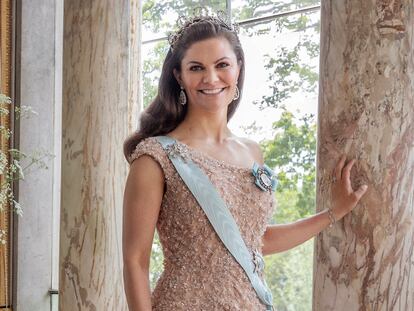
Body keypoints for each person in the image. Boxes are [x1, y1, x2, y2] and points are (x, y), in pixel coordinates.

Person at [122, 9, 368, 311]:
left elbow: (255, 241)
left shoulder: (251, 152)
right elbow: (135, 263)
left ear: (238, 67)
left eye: (222, 64)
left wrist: (333, 213)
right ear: (179, 76)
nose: (211, 78)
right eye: (196, 67)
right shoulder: (154, 157)